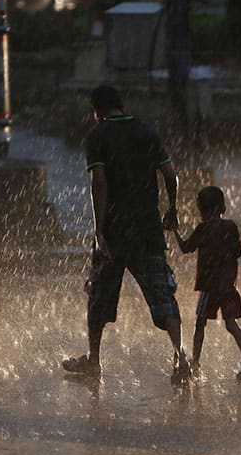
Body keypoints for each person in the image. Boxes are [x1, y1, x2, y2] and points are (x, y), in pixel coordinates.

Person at [61, 86, 192, 384]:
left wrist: (98, 232)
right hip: (147, 229)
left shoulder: (97, 137)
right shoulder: (146, 131)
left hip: (115, 233)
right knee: (162, 293)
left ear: (97, 111)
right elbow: (171, 175)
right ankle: (181, 358)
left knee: (99, 297)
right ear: (122, 104)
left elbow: (100, 184)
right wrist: (171, 209)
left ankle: (94, 362)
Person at [172, 186, 241, 382]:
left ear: (203, 209)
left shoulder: (203, 229)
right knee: (231, 323)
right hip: (228, 286)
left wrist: (175, 230)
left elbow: (185, 248)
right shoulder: (230, 226)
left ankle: (195, 363)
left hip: (210, 287)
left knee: (200, 324)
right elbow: (238, 252)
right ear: (221, 206)